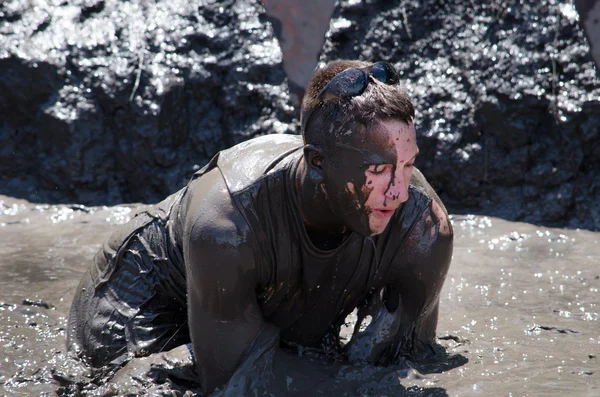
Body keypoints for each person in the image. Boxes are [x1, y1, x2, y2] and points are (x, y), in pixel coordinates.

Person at [67, 59, 453, 395]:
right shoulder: (226, 223)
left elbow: (394, 367)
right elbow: (236, 384)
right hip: (148, 291)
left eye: (408, 165)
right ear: (317, 163)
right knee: (128, 388)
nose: (400, 192)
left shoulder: (423, 229)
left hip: (262, 300)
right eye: (380, 170)